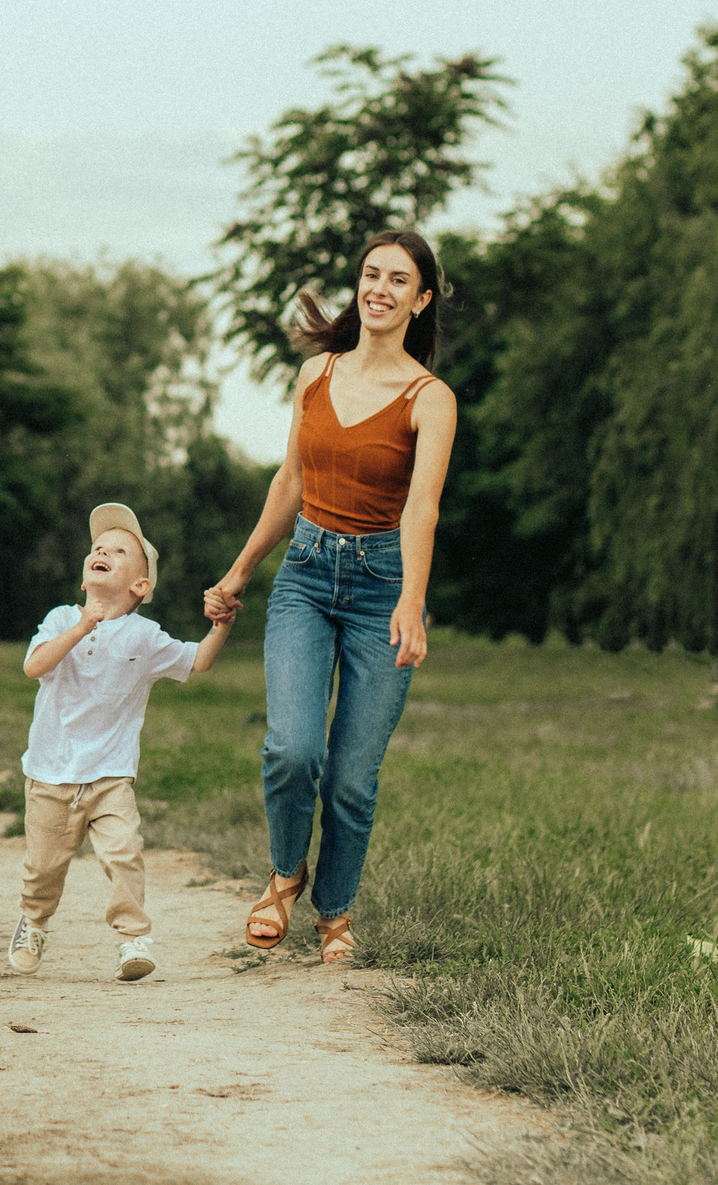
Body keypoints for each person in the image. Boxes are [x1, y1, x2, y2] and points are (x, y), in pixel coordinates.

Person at [204, 232, 454, 966]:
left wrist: (412, 599)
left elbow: (422, 509)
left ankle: (335, 913)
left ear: (421, 297)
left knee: (350, 775)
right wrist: (242, 568)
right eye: (370, 273)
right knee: (292, 747)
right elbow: (290, 484)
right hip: (307, 576)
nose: (379, 287)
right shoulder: (316, 372)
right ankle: (286, 873)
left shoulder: (429, 398)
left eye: (398, 278)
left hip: (382, 588)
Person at [7, 502, 234, 982]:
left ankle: (133, 938)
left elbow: (197, 662)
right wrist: (82, 626)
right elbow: (34, 667)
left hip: (110, 773)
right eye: (97, 548)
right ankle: (34, 922)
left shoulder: (144, 636)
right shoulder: (61, 618)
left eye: (119, 549)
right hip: (50, 771)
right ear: (85, 575)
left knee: (123, 853)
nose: (103, 550)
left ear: (140, 585)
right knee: (43, 869)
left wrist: (221, 627)